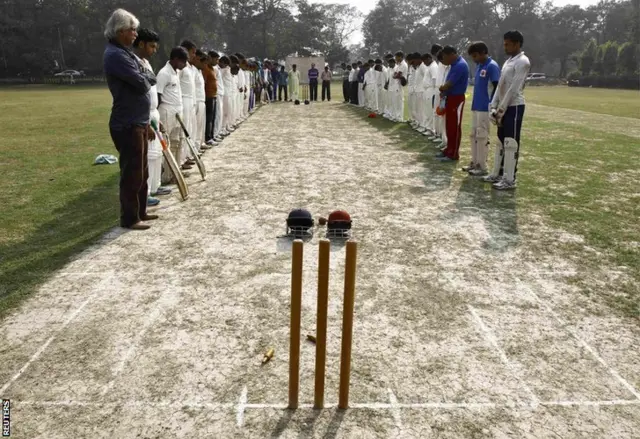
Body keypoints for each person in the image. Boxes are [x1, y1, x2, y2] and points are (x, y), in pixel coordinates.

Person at [103, 9, 157, 230]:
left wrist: (145, 74)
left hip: (138, 120)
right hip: (127, 122)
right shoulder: (115, 55)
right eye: (132, 30)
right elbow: (143, 82)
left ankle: (140, 211)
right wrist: (146, 75)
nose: (135, 34)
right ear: (119, 31)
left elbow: (147, 77)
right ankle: (129, 218)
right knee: (131, 172)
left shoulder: (127, 54)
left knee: (142, 171)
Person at [485, 30, 531, 190]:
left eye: (508, 44)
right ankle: (497, 173)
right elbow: (501, 86)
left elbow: (514, 88)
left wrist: (501, 109)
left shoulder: (523, 62)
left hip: (514, 106)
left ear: (517, 44)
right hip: (502, 107)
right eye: (504, 44)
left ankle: (510, 179)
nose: (505, 47)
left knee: (511, 143)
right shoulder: (508, 62)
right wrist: (493, 105)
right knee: (500, 142)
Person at [133, 28, 171, 206]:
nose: (154, 50)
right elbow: (137, 96)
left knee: (157, 154)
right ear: (141, 44)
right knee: (147, 157)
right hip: (144, 115)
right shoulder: (134, 63)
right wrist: (147, 122)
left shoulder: (146, 63)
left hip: (153, 113)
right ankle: (145, 193)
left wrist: (156, 118)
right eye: (152, 46)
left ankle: (156, 186)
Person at [466, 41, 501, 176]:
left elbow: (497, 87)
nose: (474, 59)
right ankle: (474, 162)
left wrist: (493, 106)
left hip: (485, 108)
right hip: (476, 106)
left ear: (483, 53)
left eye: (475, 56)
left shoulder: (492, 66)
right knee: (473, 134)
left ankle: (482, 166)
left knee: (482, 136)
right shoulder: (480, 65)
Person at [157, 47, 188, 184]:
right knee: (166, 145)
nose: (185, 65)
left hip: (177, 112)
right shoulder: (164, 73)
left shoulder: (175, 72)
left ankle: (174, 173)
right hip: (167, 111)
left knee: (176, 143)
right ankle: (163, 177)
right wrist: (157, 118)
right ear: (175, 59)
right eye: (183, 61)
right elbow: (157, 96)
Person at [436, 46, 469, 162]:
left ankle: (453, 153)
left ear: (451, 54)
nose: (444, 60)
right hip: (450, 97)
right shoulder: (454, 65)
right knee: (449, 125)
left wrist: (442, 88)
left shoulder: (460, 65)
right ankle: (448, 149)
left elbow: (449, 83)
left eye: (445, 57)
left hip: (457, 98)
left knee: (454, 126)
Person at [178, 39, 197, 169]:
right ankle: (181, 159)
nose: (194, 55)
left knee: (189, 129)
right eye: (192, 52)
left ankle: (186, 156)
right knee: (183, 132)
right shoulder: (180, 67)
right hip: (183, 100)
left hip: (191, 100)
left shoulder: (189, 67)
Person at [193, 50, 207, 151]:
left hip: (201, 100)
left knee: (201, 125)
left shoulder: (199, 71)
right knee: (195, 126)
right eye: (204, 63)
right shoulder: (192, 70)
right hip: (196, 101)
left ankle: (198, 145)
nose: (205, 65)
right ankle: (194, 147)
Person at [203, 51, 218, 146]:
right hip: (208, 96)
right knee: (208, 118)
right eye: (215, 59)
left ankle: (211, 136)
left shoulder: (212, 69)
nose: (217, 61)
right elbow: (204, 83)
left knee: (213, 118)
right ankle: (208, 138)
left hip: (214, 96)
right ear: (210, 58)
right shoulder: (205, 68)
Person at [421, 52, 437, 137]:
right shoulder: (429, 66)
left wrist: (434, 92)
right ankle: (428, 127)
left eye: (424, 61)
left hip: (431, 90)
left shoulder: (433, 67)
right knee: (427, 110)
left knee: (430, 111)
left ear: (429, 59)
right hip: (427, 90)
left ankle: (431, 129)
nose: (424, 63)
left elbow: (434, 79)